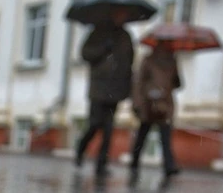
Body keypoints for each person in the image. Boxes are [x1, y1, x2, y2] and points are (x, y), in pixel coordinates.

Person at [74, 12, 135, 176]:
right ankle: (80, 150)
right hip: (98, 89)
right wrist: (103, 48)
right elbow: (85, 54)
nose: (121, 17)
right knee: (94, 124)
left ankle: (101, 165)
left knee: (108, 130)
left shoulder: (125, 36)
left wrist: (128, 88)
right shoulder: (98, 32)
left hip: (115, 90)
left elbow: (129, 62)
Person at [130, 44, 182, 182]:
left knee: (165, 137)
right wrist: (138, 102)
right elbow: (139, 81)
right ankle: (134, 162)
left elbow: (177, 83)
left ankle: (169, 166)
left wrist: (176, 75)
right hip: (149, 104)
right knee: (143, 135)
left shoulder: (173, 62)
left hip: (165, 106)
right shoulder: (148, 61)